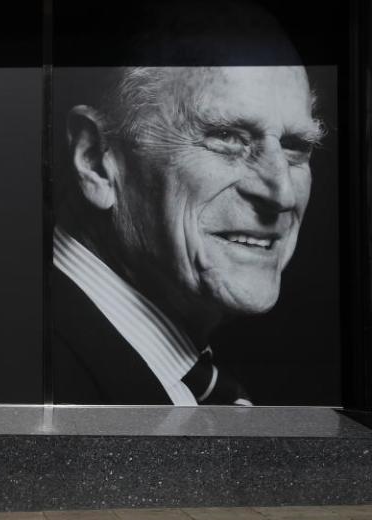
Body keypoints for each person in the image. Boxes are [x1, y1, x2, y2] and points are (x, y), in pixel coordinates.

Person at [51, 2, 326, 405]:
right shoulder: (24, 372)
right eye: (228, 138)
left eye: (296, 147)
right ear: (95, 161)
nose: (282, 194)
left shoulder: (185, 372)